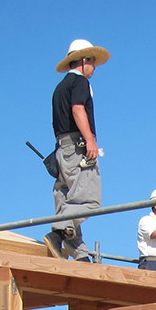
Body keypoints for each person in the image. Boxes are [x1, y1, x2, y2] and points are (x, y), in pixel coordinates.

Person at [44, 39, 110, 262]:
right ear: (83, 60)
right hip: (77, 146)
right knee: (88, 201)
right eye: (92, 62)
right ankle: (55, 235)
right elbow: (78, 108)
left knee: (68, 202)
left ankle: (80, 257)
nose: (94, 68)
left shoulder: (59, 88)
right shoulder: (79, 82)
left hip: (62, 150)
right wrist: (89, 139)